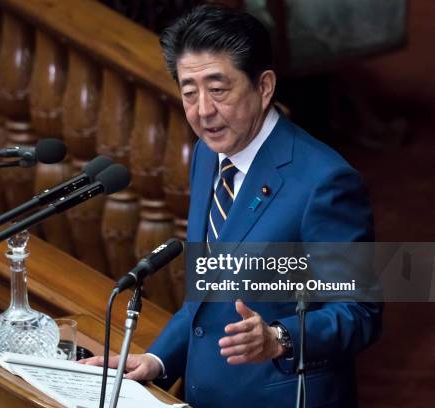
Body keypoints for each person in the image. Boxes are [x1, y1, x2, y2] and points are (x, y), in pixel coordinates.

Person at [82, 5, 382, 407]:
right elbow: (207, 292)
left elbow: (360, 312)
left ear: (264, 87)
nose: (203, 110)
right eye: (189, 93)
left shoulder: (325, 182)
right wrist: (157, 360)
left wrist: (279, 337)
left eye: (218, 90)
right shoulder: (209, 156)